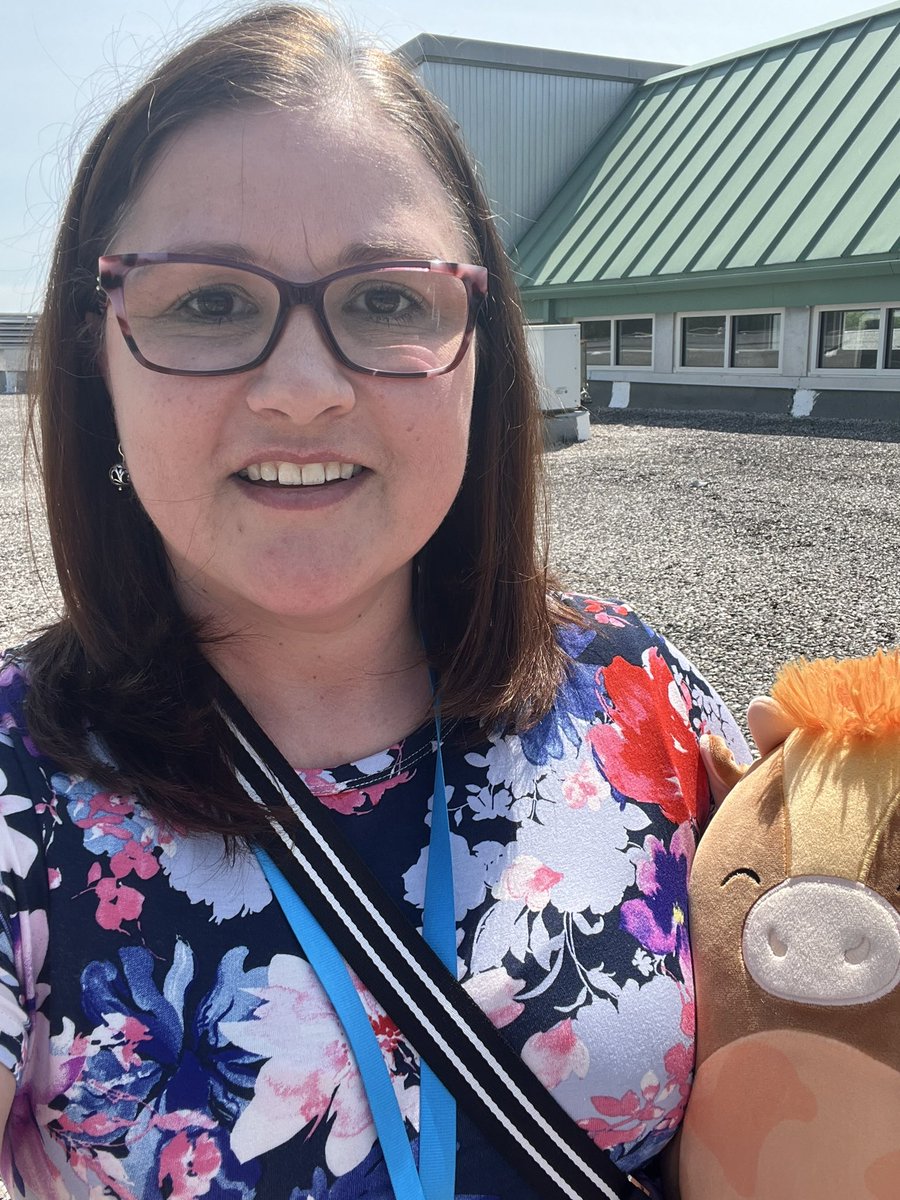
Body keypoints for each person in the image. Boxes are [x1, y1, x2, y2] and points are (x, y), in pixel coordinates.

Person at [0, 6, 748, 1198]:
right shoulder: (20, 787)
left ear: (481, 347)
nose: (303, 390)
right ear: (98, 352)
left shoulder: (634, 691)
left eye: (389, 301)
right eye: (207, 303)